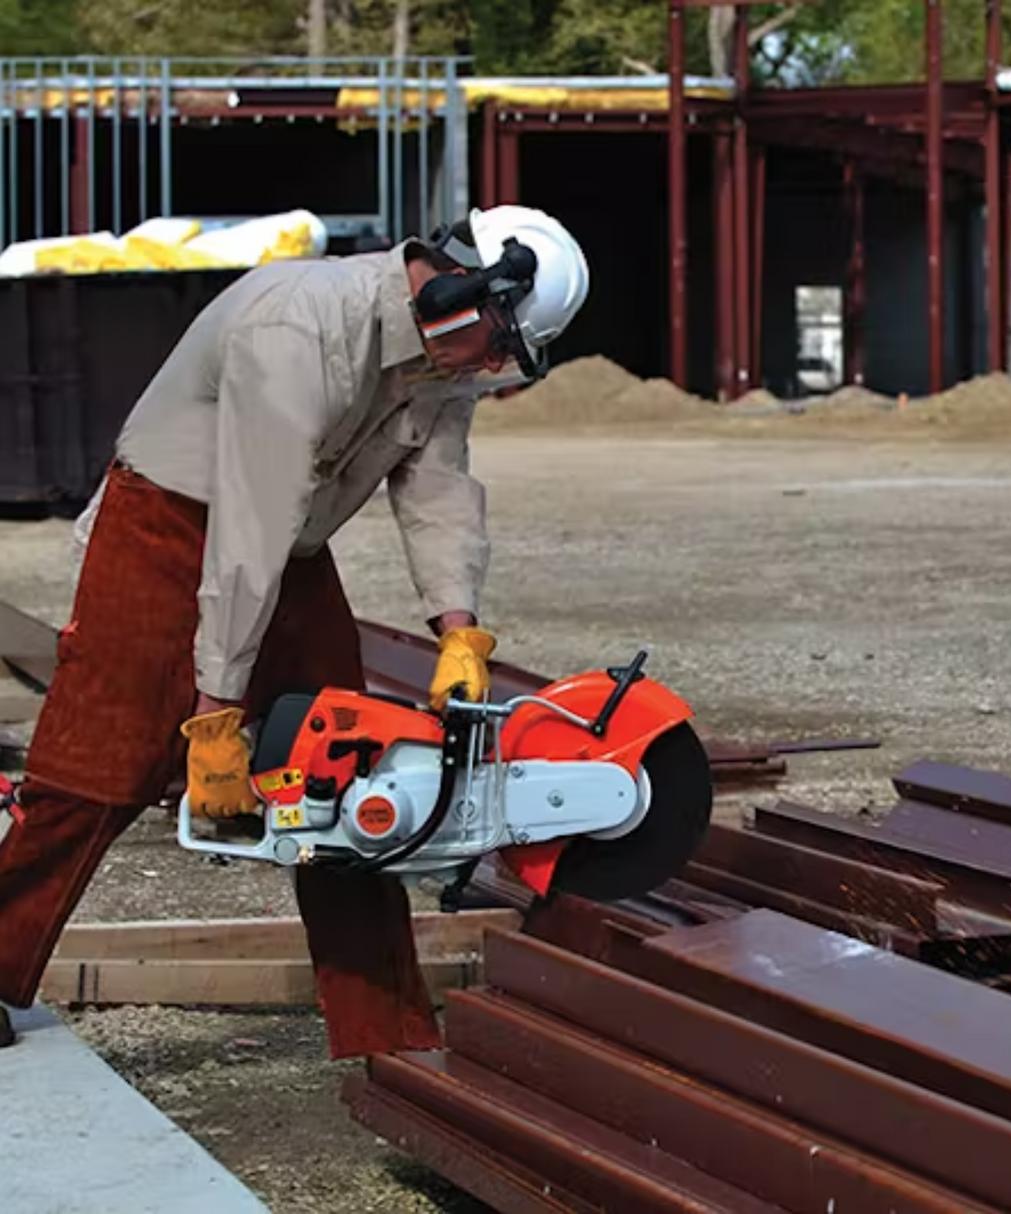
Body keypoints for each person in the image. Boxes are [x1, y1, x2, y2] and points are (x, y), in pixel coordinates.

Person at [0, 204, 590, 1052]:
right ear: (464, 291)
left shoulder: (444, 363)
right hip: (166, 525)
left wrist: (460, 631)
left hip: (289, 544)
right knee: (95, 771)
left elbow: (438, 492)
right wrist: (215, 721)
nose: (499, 368)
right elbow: (248, 532)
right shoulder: (297, 329)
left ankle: (389, 1036)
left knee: (350, 774)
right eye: (502, 344)